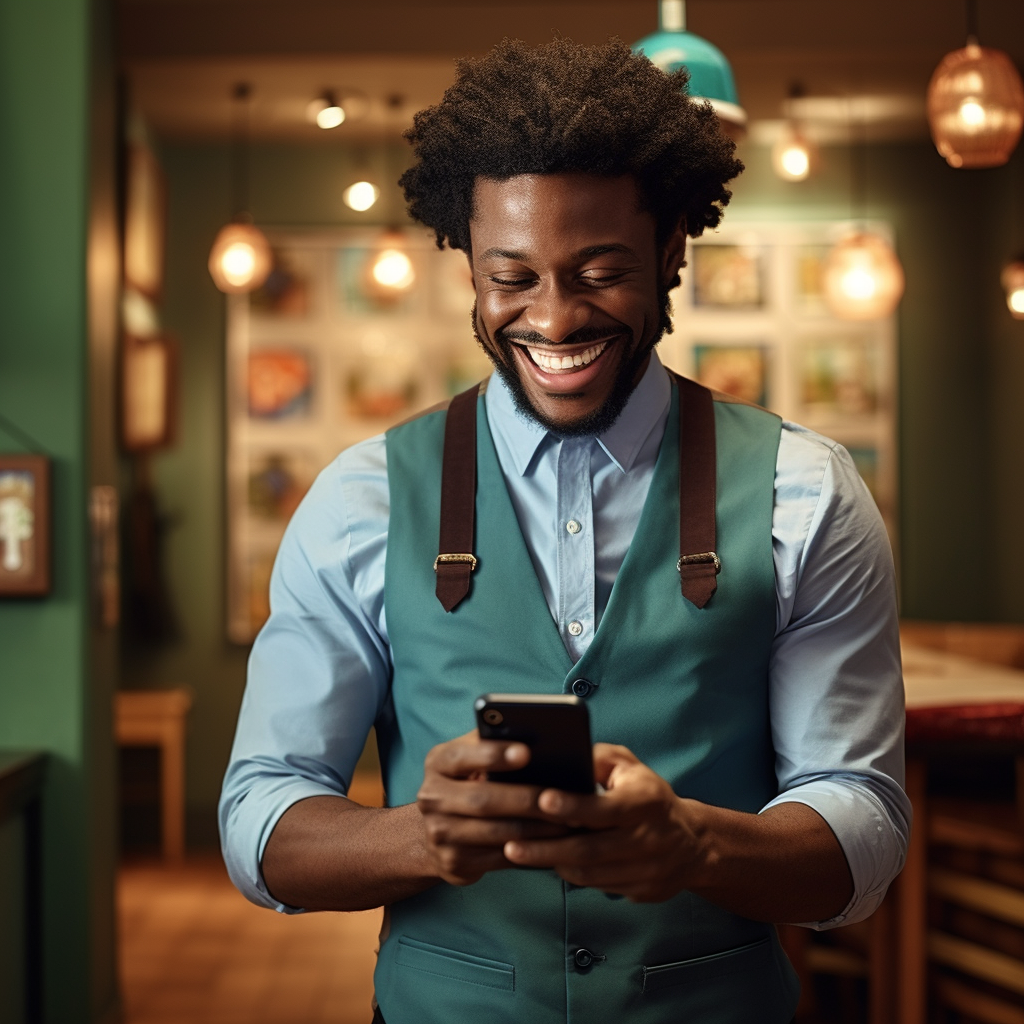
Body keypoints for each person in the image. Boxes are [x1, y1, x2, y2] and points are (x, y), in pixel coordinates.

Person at [220, 37, 909, 1024]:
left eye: (597, 271)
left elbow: (864, 827)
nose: (553, 320)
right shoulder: (358, 499)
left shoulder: (807, 493)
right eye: (511, 275)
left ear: (674, 242)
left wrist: (693, 845)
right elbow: (259, 819)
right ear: (462, 254)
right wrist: (421, 836)